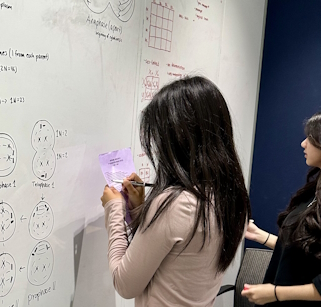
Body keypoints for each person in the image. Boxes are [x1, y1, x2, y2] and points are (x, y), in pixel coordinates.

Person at [100, 76, 251, 306]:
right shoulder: (229, 197)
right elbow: (174, 255)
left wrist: (115, 209)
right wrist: (140, 209)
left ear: (179, 139)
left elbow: (124, 283)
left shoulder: (176, 204)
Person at [241, 112, 321, 306]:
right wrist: (260, 235)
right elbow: (305, 251)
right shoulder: (313, 192)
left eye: (310, 138)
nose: (303, 144)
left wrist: (276, 293)